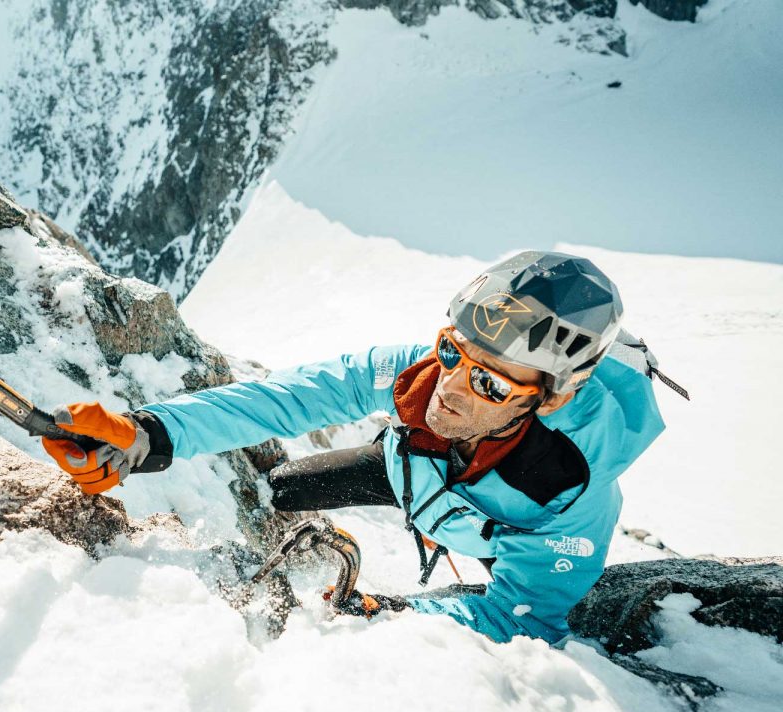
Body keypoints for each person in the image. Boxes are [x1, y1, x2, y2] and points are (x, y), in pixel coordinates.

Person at [42, 251, 672, 644]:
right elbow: (285, 400)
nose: (446, 389)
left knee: (496, 597)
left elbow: (525, 619)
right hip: (412, 474)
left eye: (488, 381)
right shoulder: (418, 375)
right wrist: (152, 432)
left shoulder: (567, 492)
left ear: (551, 397)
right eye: (453, 352)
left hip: (499, 528)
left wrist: (393, 613)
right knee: (279, 490)